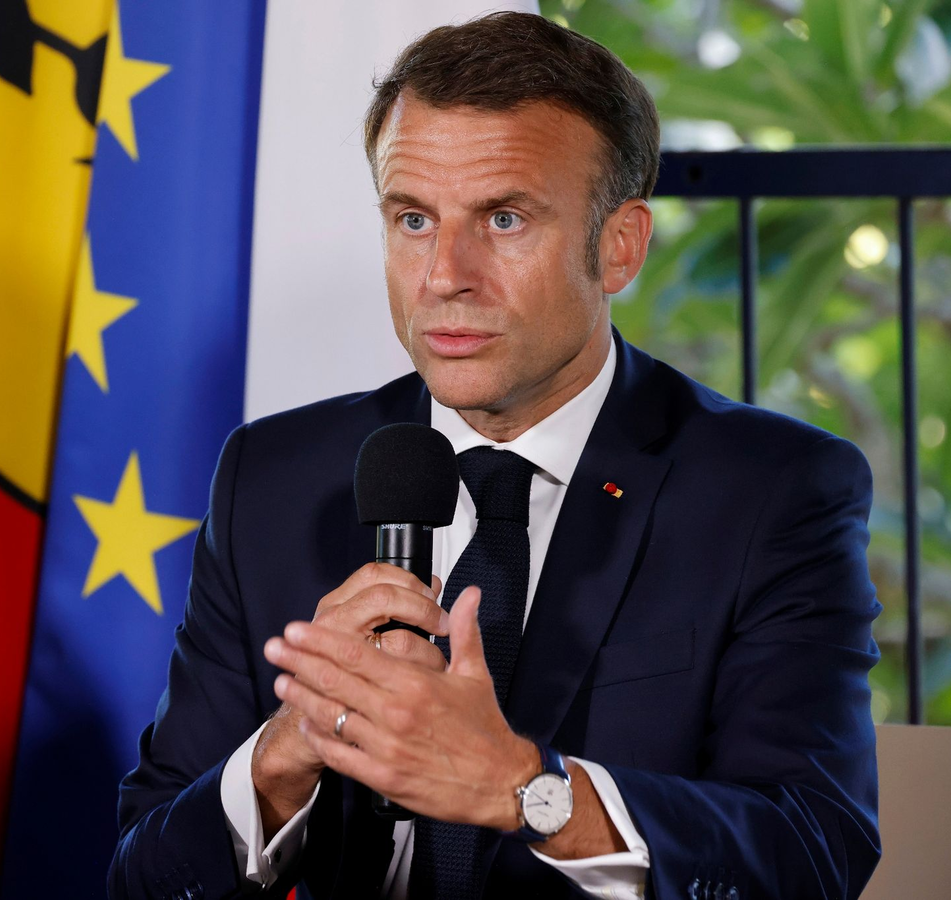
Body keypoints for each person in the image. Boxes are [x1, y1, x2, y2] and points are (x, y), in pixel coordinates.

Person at [108, 12, 881, 900]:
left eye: (504, 219)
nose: (444, 274)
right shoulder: (274, 479)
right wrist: (283, 756)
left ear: (619, 246)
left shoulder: (773, 491)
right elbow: (142, 879)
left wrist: (524, 789)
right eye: (413, 218)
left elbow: (812, 853)